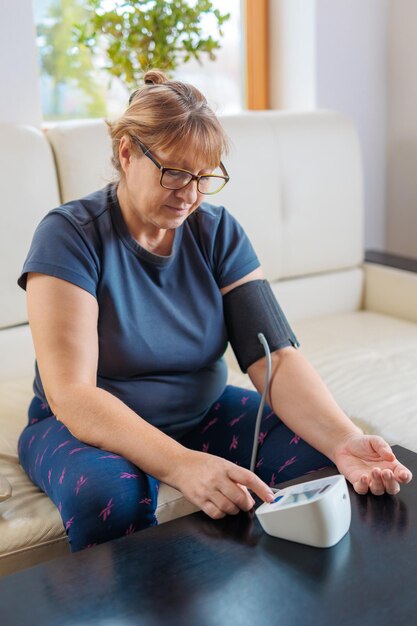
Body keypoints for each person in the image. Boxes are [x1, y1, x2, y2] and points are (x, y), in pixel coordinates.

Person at [17, 70, 412, 552]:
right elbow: (73, 395)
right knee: (108, 502)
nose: (189, 193)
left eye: (205, 177)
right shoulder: (70, 235)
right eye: (175, 172)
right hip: (84, 430)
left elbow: (276, 358)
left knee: (320, 463)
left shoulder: (215, 230)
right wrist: (182, 464)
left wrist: (344, 439)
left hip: (201, 412)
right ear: (126, 152)